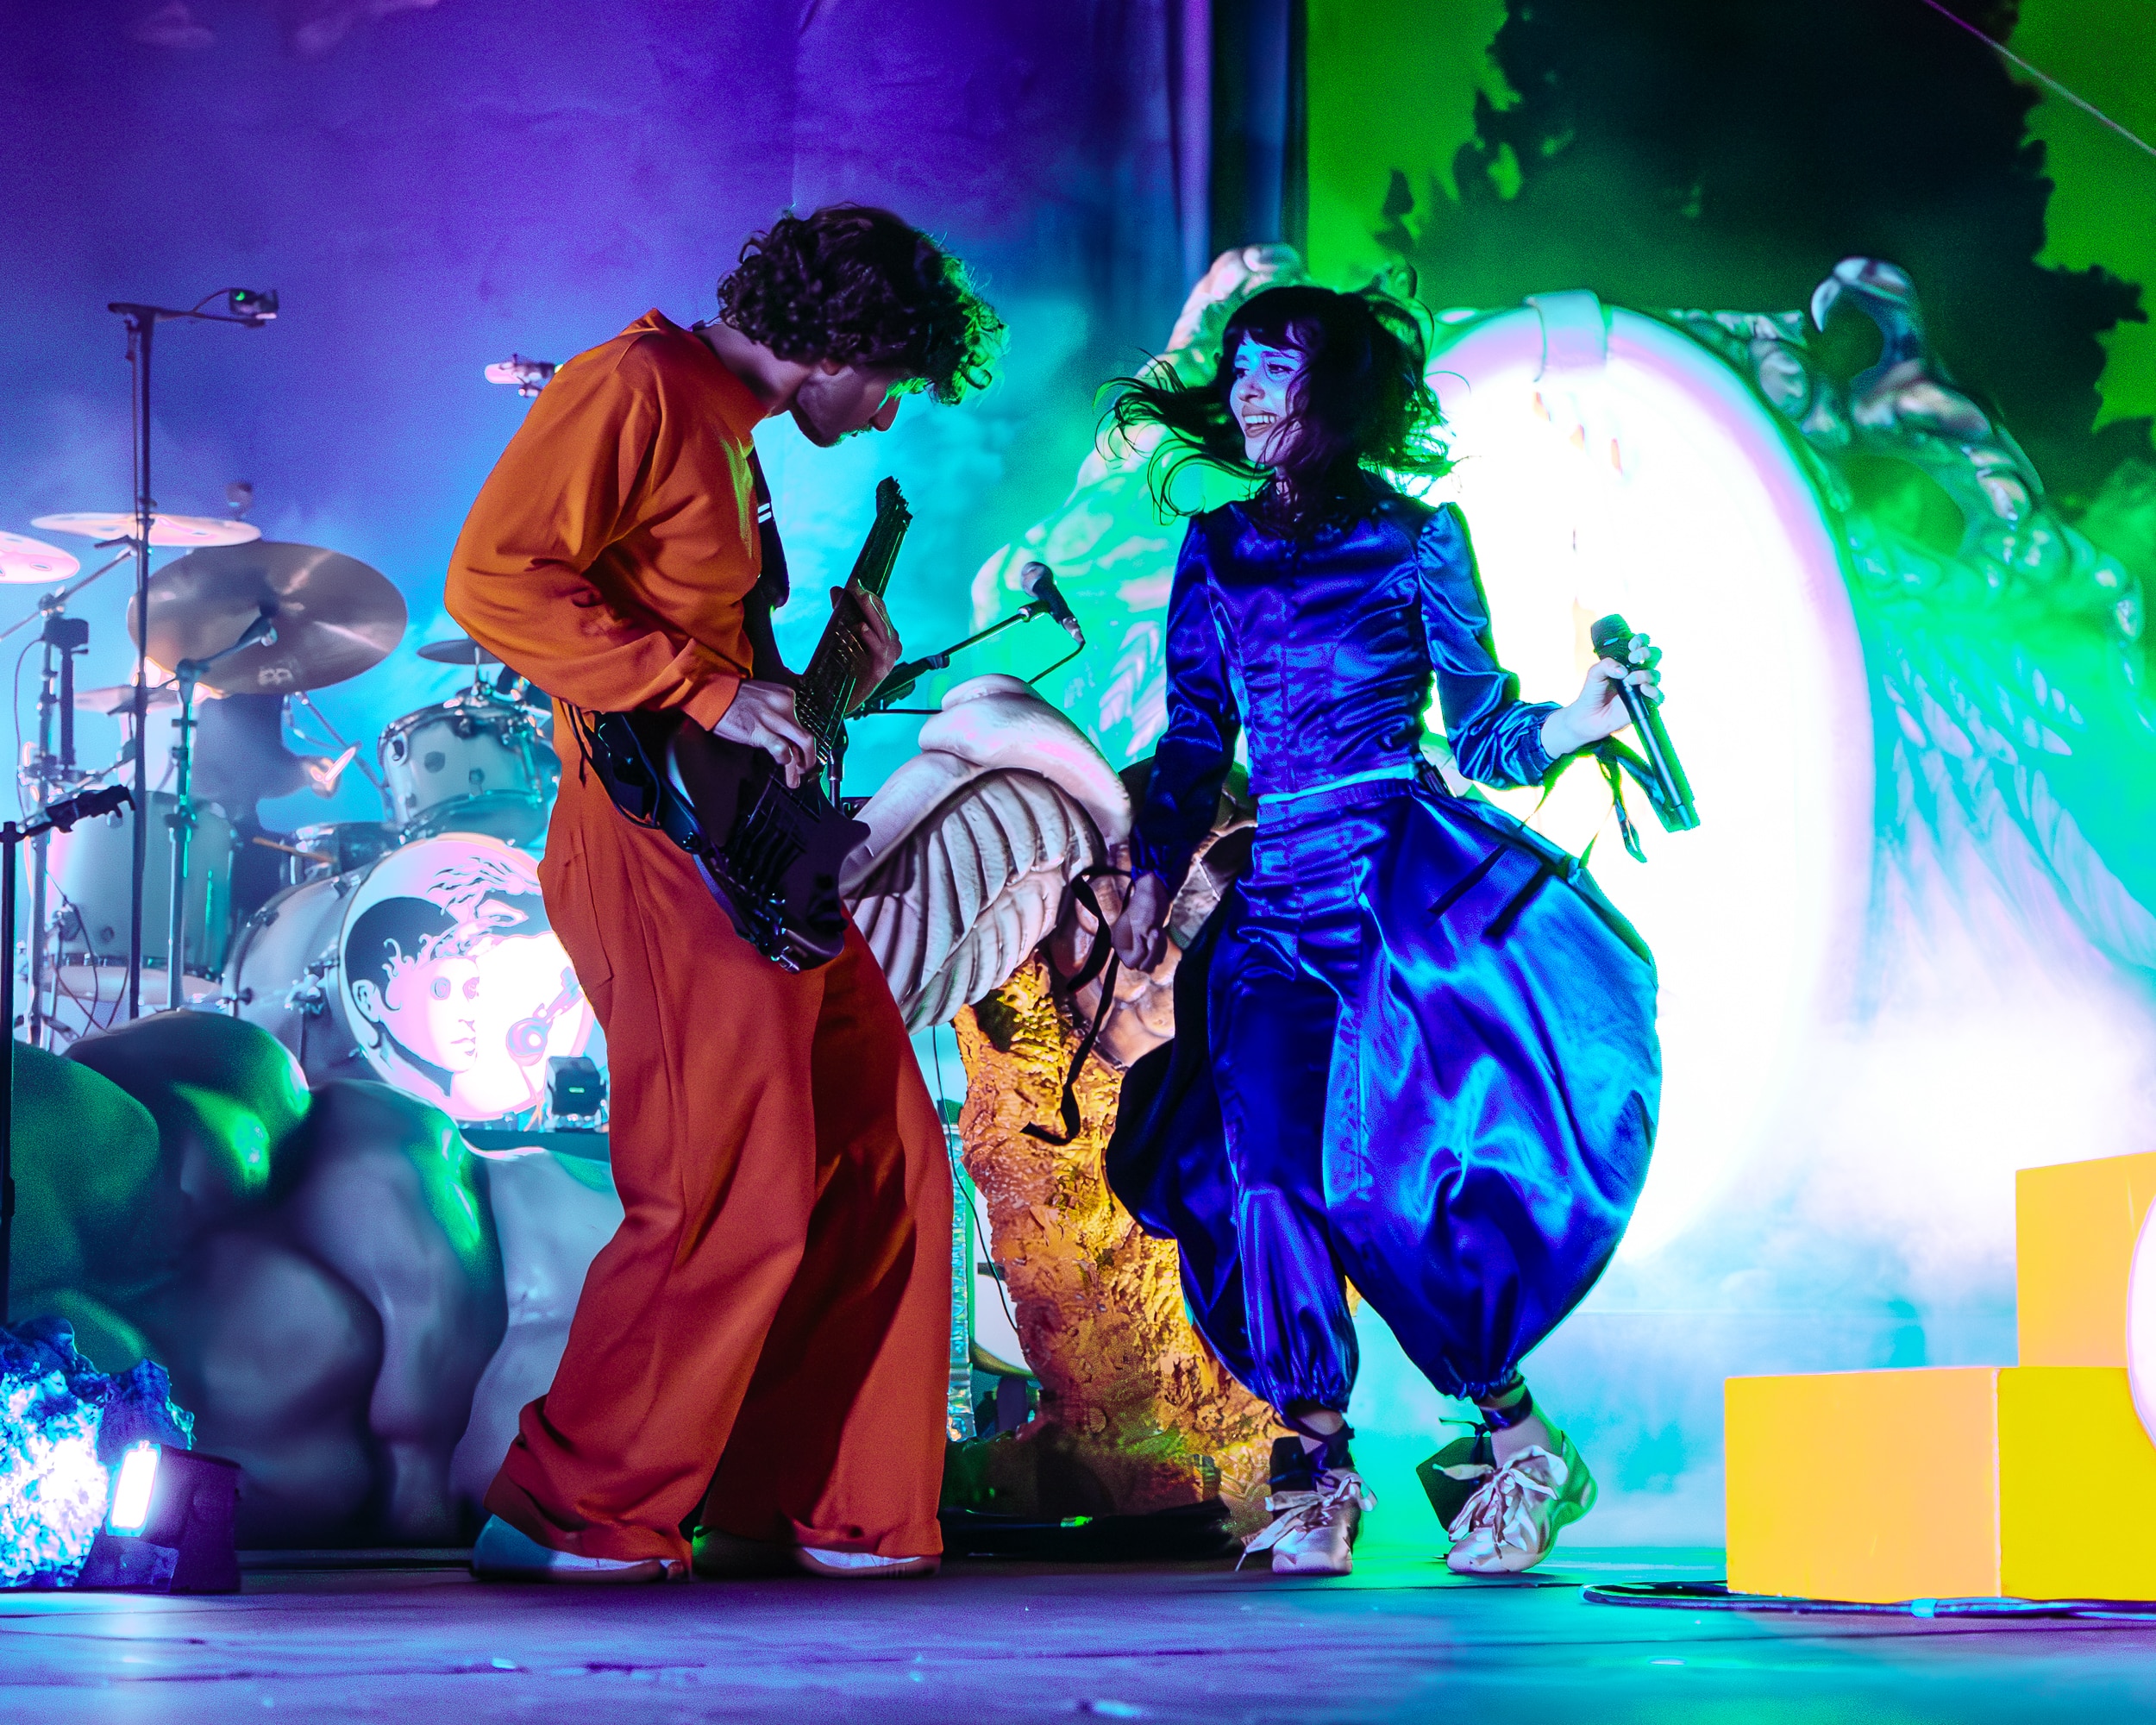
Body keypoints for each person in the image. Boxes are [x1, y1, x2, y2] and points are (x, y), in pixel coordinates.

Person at [444, 204, 1005, 1583]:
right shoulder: (633, 386)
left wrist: (825, 680)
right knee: (725, 1189)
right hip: (652, 852)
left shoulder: (729, 426)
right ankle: (568, 1512)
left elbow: (717, 674)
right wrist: (704, 687)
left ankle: (826, 1502)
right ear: (839, 351)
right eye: (891, 384)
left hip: (746, 852)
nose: (887, 415)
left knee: (887, 1152)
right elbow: (494, 580)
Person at [1103, 283, 1663, 1578]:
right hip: (1271, 918)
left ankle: (1518, 1443)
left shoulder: (1420, 539)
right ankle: (1318, 1469)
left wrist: (1581, 721)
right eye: (1238, 367)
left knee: (1385, 1192)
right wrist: (1147, 879)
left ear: (1338, 393)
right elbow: (1195, 745)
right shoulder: (1216, 549)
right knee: (1265, 1183)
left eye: (1276, 368)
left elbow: (1484, 732)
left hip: (1392, 899)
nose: (1246, 390)